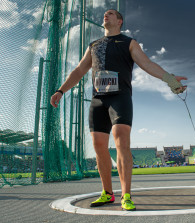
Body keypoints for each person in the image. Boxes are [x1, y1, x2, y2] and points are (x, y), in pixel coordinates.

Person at [50, 9, 187, 211]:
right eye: (105, 14)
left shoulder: (129, 42)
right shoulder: (93, 45)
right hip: (98, 99)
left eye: (111, 14)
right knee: (98, 145)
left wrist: (169, 79)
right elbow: (79, 70)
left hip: (120, 97)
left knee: (121, 138)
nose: (106, 15)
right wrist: (61, 90)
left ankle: (126, 195)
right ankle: (107, 193)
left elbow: (147, 64)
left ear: (120, 21)